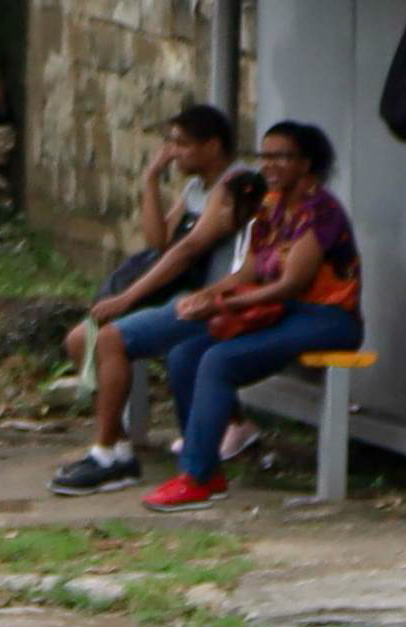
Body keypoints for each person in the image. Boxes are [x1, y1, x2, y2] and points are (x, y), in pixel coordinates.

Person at [125, 118, 364, 511]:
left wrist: (225, 305)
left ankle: (197, 477)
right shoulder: (270, 206)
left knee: (219, 360)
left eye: (281, 157)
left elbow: (291, 284)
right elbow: (248, 273)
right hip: (281, 312)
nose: (269, 164)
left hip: (326, 317)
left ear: (305, 164)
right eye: (264, 156)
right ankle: (203, 464)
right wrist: (207, 295)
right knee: (184, 355)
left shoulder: (320, 210)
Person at [53, 105, 257, 495]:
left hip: (210, 301)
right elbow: (158, 241)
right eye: (171, 143)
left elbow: (186, 251)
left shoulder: (234, 186)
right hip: (183, 296)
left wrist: (127, 297)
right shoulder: (196, 189)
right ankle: (116, 446)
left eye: (183, 144)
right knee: (81, 340)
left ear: (213, 146)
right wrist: (149, 179)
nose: (174, 152)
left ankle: (107, 453)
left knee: (108, 338)